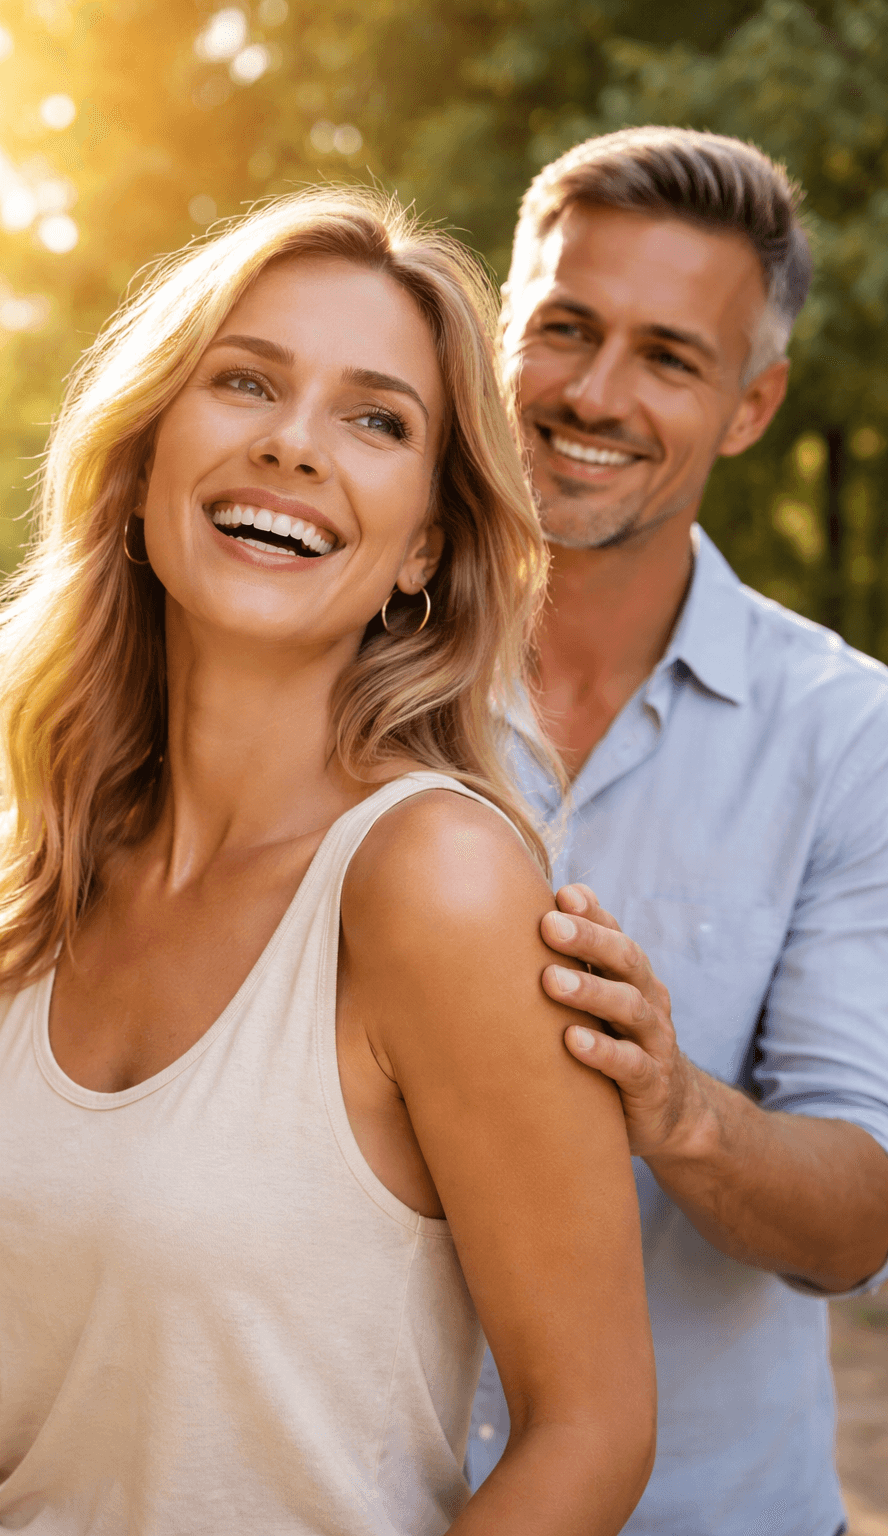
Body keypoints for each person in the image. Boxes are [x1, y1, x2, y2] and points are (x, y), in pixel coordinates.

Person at [0, 189, 656, 1536]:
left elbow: (593, 1431)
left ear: (422, 547)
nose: (293, 445)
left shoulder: (438, 884)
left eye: (374, 419)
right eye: (245, 381)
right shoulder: (36, 887)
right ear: (145, 460)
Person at [466, 127, 888, 1535]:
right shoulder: (329, 669)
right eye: (564, 330)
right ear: (497, 335)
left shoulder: (846, 734)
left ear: (752, 406)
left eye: (669, 356)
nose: (593, 393)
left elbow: (856, 1222)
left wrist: (677, 1109)